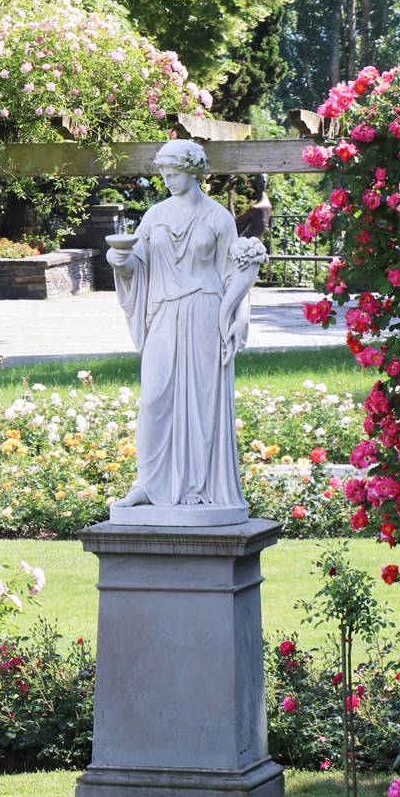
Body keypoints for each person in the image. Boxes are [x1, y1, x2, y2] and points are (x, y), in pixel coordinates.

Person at [104, 139, 266, 518]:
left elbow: (234, 275)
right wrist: (119, 260)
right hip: (164, 313)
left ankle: (199, 486)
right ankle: (148, 484)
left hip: (205, 313)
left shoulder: (216, 218)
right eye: (163, 173)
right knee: (155, 397)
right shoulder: (155, 216)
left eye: (173, 173)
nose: (167, 180)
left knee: (201, 401)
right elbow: (137, 268)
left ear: (193, 172)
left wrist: (238, 319)